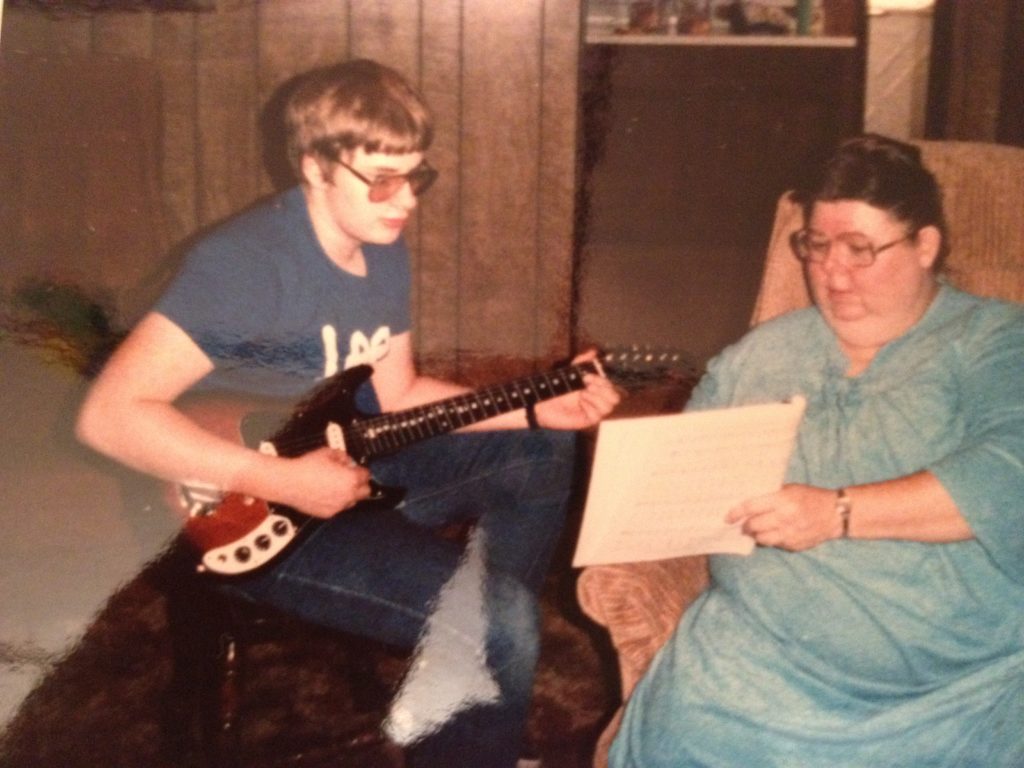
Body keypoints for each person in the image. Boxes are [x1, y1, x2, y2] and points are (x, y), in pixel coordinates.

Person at [75, 59, 619, 768]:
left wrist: (543, 409)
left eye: (415, 177)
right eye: (382, 180)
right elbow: (108, 417)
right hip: (257, 516)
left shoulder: (378, 247)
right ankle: (484, 656)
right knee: (501, 622)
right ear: (315, 166)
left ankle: (465, 687)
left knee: (543, 452)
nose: (406, 203)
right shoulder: (244, 267)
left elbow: (397, 399)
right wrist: (283, 482)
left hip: (357, 459)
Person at [609, 134, 1024, 767]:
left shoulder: (994, 341)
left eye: (861, 250)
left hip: (957, 693)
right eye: (817, 246)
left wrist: (836, 512)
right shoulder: (761, 355)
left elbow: (1011, 477)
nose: (832, 274)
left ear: (925, 246)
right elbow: (673, 485)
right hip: (749, 677)